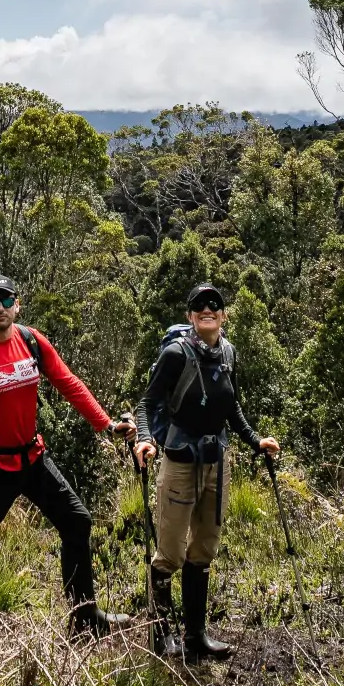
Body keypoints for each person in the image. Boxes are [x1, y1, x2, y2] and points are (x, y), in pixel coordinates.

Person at [0, 273, 138, 636]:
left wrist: (106, 425)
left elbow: (69, 383)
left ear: (17, 304)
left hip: (31, 455)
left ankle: (84, 617)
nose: (0, 308)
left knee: (77, 521)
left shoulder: (31, 341)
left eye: (6, 300)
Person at [133, 283, 280, 663]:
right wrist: (146, 441)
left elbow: (232, 409)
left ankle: (196, 635)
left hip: (218, 461)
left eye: (214, 304)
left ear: (224, 315)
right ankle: (162, 635)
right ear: (190, 316)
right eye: (199, 305)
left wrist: (254, 440)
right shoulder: (174, 355)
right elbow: (147, 403)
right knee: (169, 552)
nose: (207, 309)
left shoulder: (229, 353)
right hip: (180, 461)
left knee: (203, 550)